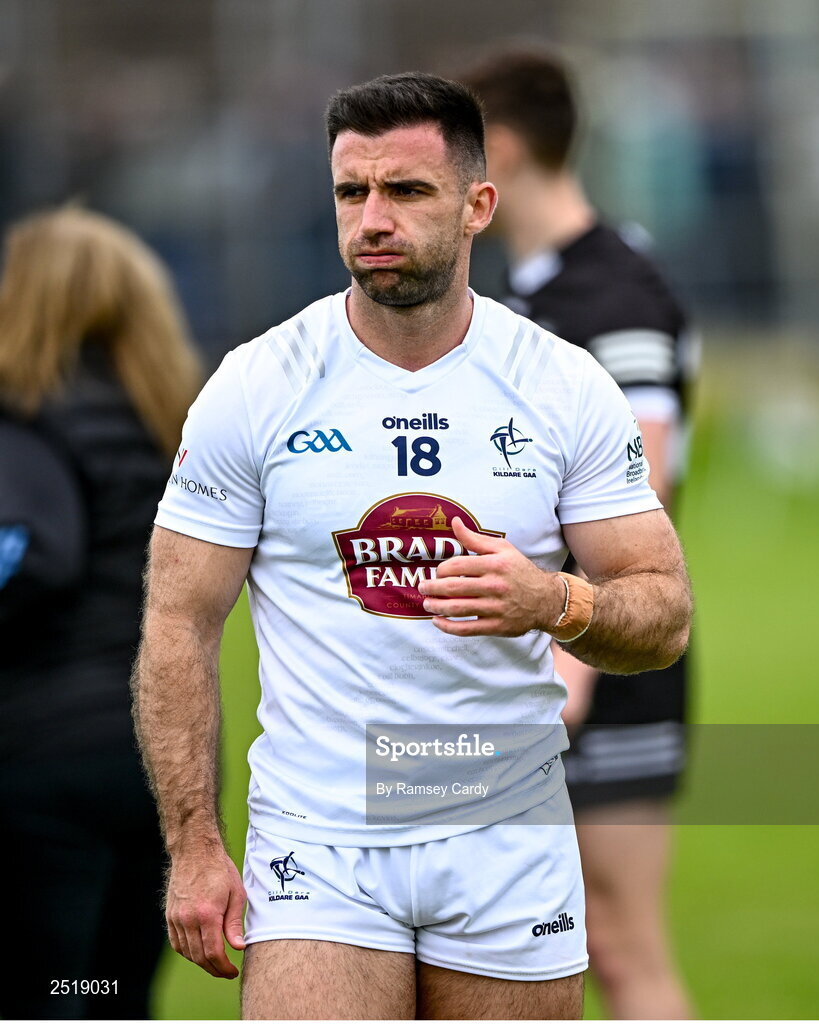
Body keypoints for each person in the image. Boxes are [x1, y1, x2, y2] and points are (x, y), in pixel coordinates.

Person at [131, 72, 692, 1022]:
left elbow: (662, 610)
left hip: (506, 832)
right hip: (321, 839)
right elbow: (178, 624)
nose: (373, 218)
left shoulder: (562, 386)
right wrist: (193, 846)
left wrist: (555, 603)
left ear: (479, 204)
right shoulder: (257, 385)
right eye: (353, 192)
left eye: (407, 191)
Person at [462, 51, 695, 1019]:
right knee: (524, 938)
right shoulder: (533, 291)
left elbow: (648, 484)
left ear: (503, 152)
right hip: (530, 654)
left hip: (596, 662)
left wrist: (578, 667)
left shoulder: (613, 295)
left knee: (619, 941)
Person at [0, 206, 202, 1019]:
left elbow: (28, 553)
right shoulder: (174, 427)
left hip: (41, 760)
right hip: (160, 758)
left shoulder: (21, 417)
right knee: (112, 993)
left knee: (45, 997)